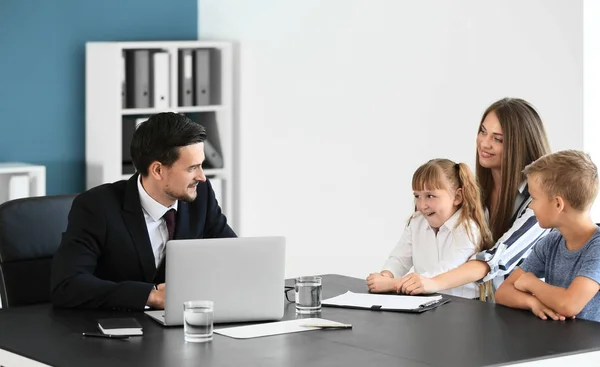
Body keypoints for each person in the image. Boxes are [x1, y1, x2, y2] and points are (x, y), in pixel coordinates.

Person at [51, 112, 236, 311]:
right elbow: (67, 285)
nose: (202, 177)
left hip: (180, 327)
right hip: (115, 330)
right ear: (157, 170)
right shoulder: (96, 207)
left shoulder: (201, 195)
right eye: (192, 168)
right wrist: (151, 296)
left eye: (201, 165)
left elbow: (233, 257)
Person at [395, 98, 551, 300]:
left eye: (498, 139)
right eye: (483, 132)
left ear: (520, 146)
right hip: (479, 308)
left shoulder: (538, 204)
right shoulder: (473, 191)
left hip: (522, 314)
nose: (484, 143)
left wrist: (430, 283)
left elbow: (495, 260)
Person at [496, 150, 600, 321]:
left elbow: (569, 305)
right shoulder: (550, 242)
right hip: (558, 344)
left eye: (534, 198)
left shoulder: (596, 248)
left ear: (558, 204)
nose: (531, 207)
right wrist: (533, 303)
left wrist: (531, 283)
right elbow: (503, 292)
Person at [366, 159, 493, 298]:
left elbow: (443, 271)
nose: (422, 205)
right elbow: (399, 258)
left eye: (430, 196)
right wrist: (387, 274)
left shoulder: (468, 229)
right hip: (427, 299)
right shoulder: (417, 222)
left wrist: (392, 284)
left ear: (457, 197)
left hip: (463, 306)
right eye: (417, 196)